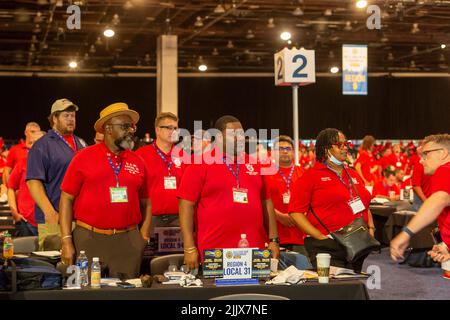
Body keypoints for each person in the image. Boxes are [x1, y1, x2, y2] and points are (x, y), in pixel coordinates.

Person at [60, 103, 151, 278]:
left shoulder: (138, 161)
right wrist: (66, 240)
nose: (131, 130)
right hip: (89, 239)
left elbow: (146, 202)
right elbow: (66, 198)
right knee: (88, 295)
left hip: (128, 241)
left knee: (126, 295)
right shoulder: (83, 157)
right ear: (108, 128)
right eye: (125, 126)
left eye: (132, 126)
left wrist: (143, 237)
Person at [178, 115, 279, 270]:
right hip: (214, 251)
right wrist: (189, 247)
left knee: (255, 293)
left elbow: (267, 202)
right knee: (218, 293)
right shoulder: (199, 164)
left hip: (255, 249)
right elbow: (186, 206)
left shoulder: (255, 164)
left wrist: (273, 239)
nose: (240, 138)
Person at [289, 128, 375, 272]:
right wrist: (320, 237)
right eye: (339, 144)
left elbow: (364, 205)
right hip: (328, 246)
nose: (345, 148)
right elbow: (295, 212)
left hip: (357, 243)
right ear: (326, 149)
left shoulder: (353, 174)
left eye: (346, 144)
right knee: (335, 289)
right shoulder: (311, 176)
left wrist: (371, 228)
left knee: (352, 286)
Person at [26, 99, 87, 249]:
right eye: (66, 115)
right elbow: (33, 181)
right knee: (54, 267)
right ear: (54, 118)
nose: (71, 119)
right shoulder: (42, 145)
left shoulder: (81, 143)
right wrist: (49, 212)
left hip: (80, 219)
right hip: (55, 218)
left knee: (79, 266)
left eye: (73, 116)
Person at [390, 134, 450, 262]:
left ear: (443, 153)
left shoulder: (445, 170)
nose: (421, 160)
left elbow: (439, 200)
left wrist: (405, 234)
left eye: (426, 154)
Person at [135, 113, 187, 233]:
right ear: (157, 130)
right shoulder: (140, 155)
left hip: (178, 218)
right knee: (148, 251)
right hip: (150, 219)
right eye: (169, 128)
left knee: (177, 253)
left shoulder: (184, 156)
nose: (173, 131)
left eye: (175, 128)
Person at [264, 135, 306, 255]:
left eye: (288, 148)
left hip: (299, 235)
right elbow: (261, 200)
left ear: (293, 152)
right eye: (280, 148)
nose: (284, 151)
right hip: (273, 237)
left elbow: (310, 201)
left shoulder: (303, 173)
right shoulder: (265, 172)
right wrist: (278, 216)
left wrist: (297, 217)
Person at [7, 131, 45, 237]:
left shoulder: (55, 164)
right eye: (31, 143)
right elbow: (10, 187)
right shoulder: (23, 163)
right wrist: (14, 212)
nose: (34, 146)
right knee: (23, 252)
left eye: (38, 142)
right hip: (26, 222)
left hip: (48, 222)